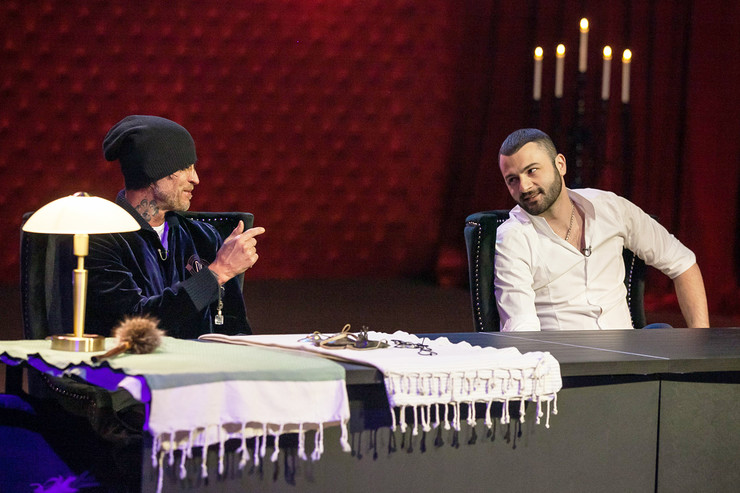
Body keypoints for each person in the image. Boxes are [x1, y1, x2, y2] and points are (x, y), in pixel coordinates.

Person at [494, 128, 709, 331]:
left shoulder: (610, 207)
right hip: (566, 357)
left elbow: (682, 262)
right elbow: (522, 328)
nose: (524, 187)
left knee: (664, 336)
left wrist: (701, 343)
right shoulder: (513, 238)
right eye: (512, 180)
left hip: (628, 354)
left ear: (560, 165)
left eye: (532, 171)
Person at [85, 115, 265, 338]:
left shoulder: (203, 237)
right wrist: (218, 272)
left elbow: (235, 331)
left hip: (203, 361)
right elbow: (135, 324)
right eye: (185, 167)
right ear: (153, 170)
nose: (196, 179)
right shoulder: (99, 239)